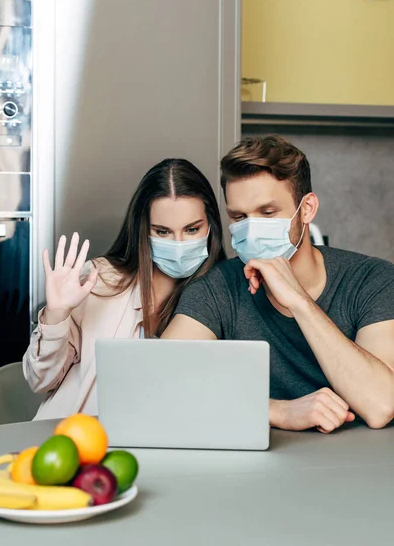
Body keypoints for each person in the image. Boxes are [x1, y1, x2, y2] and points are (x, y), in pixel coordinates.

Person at [163, 136, 394, 433]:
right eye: (239, 216)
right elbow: (162, 384)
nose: (252, 227)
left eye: (268, 212)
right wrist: (276, 410)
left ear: (307, 208)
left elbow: (381, 404)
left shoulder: (372, 279)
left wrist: (298, 301)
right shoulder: (217, 287)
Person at [23, 158, 225, 420]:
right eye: (162, 232)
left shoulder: (224, 291)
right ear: (143, 228)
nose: (178, 244)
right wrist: (56, 315)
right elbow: (41, 381)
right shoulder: (99, 280)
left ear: (211, 225)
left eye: (192, 229)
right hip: (80, 442)